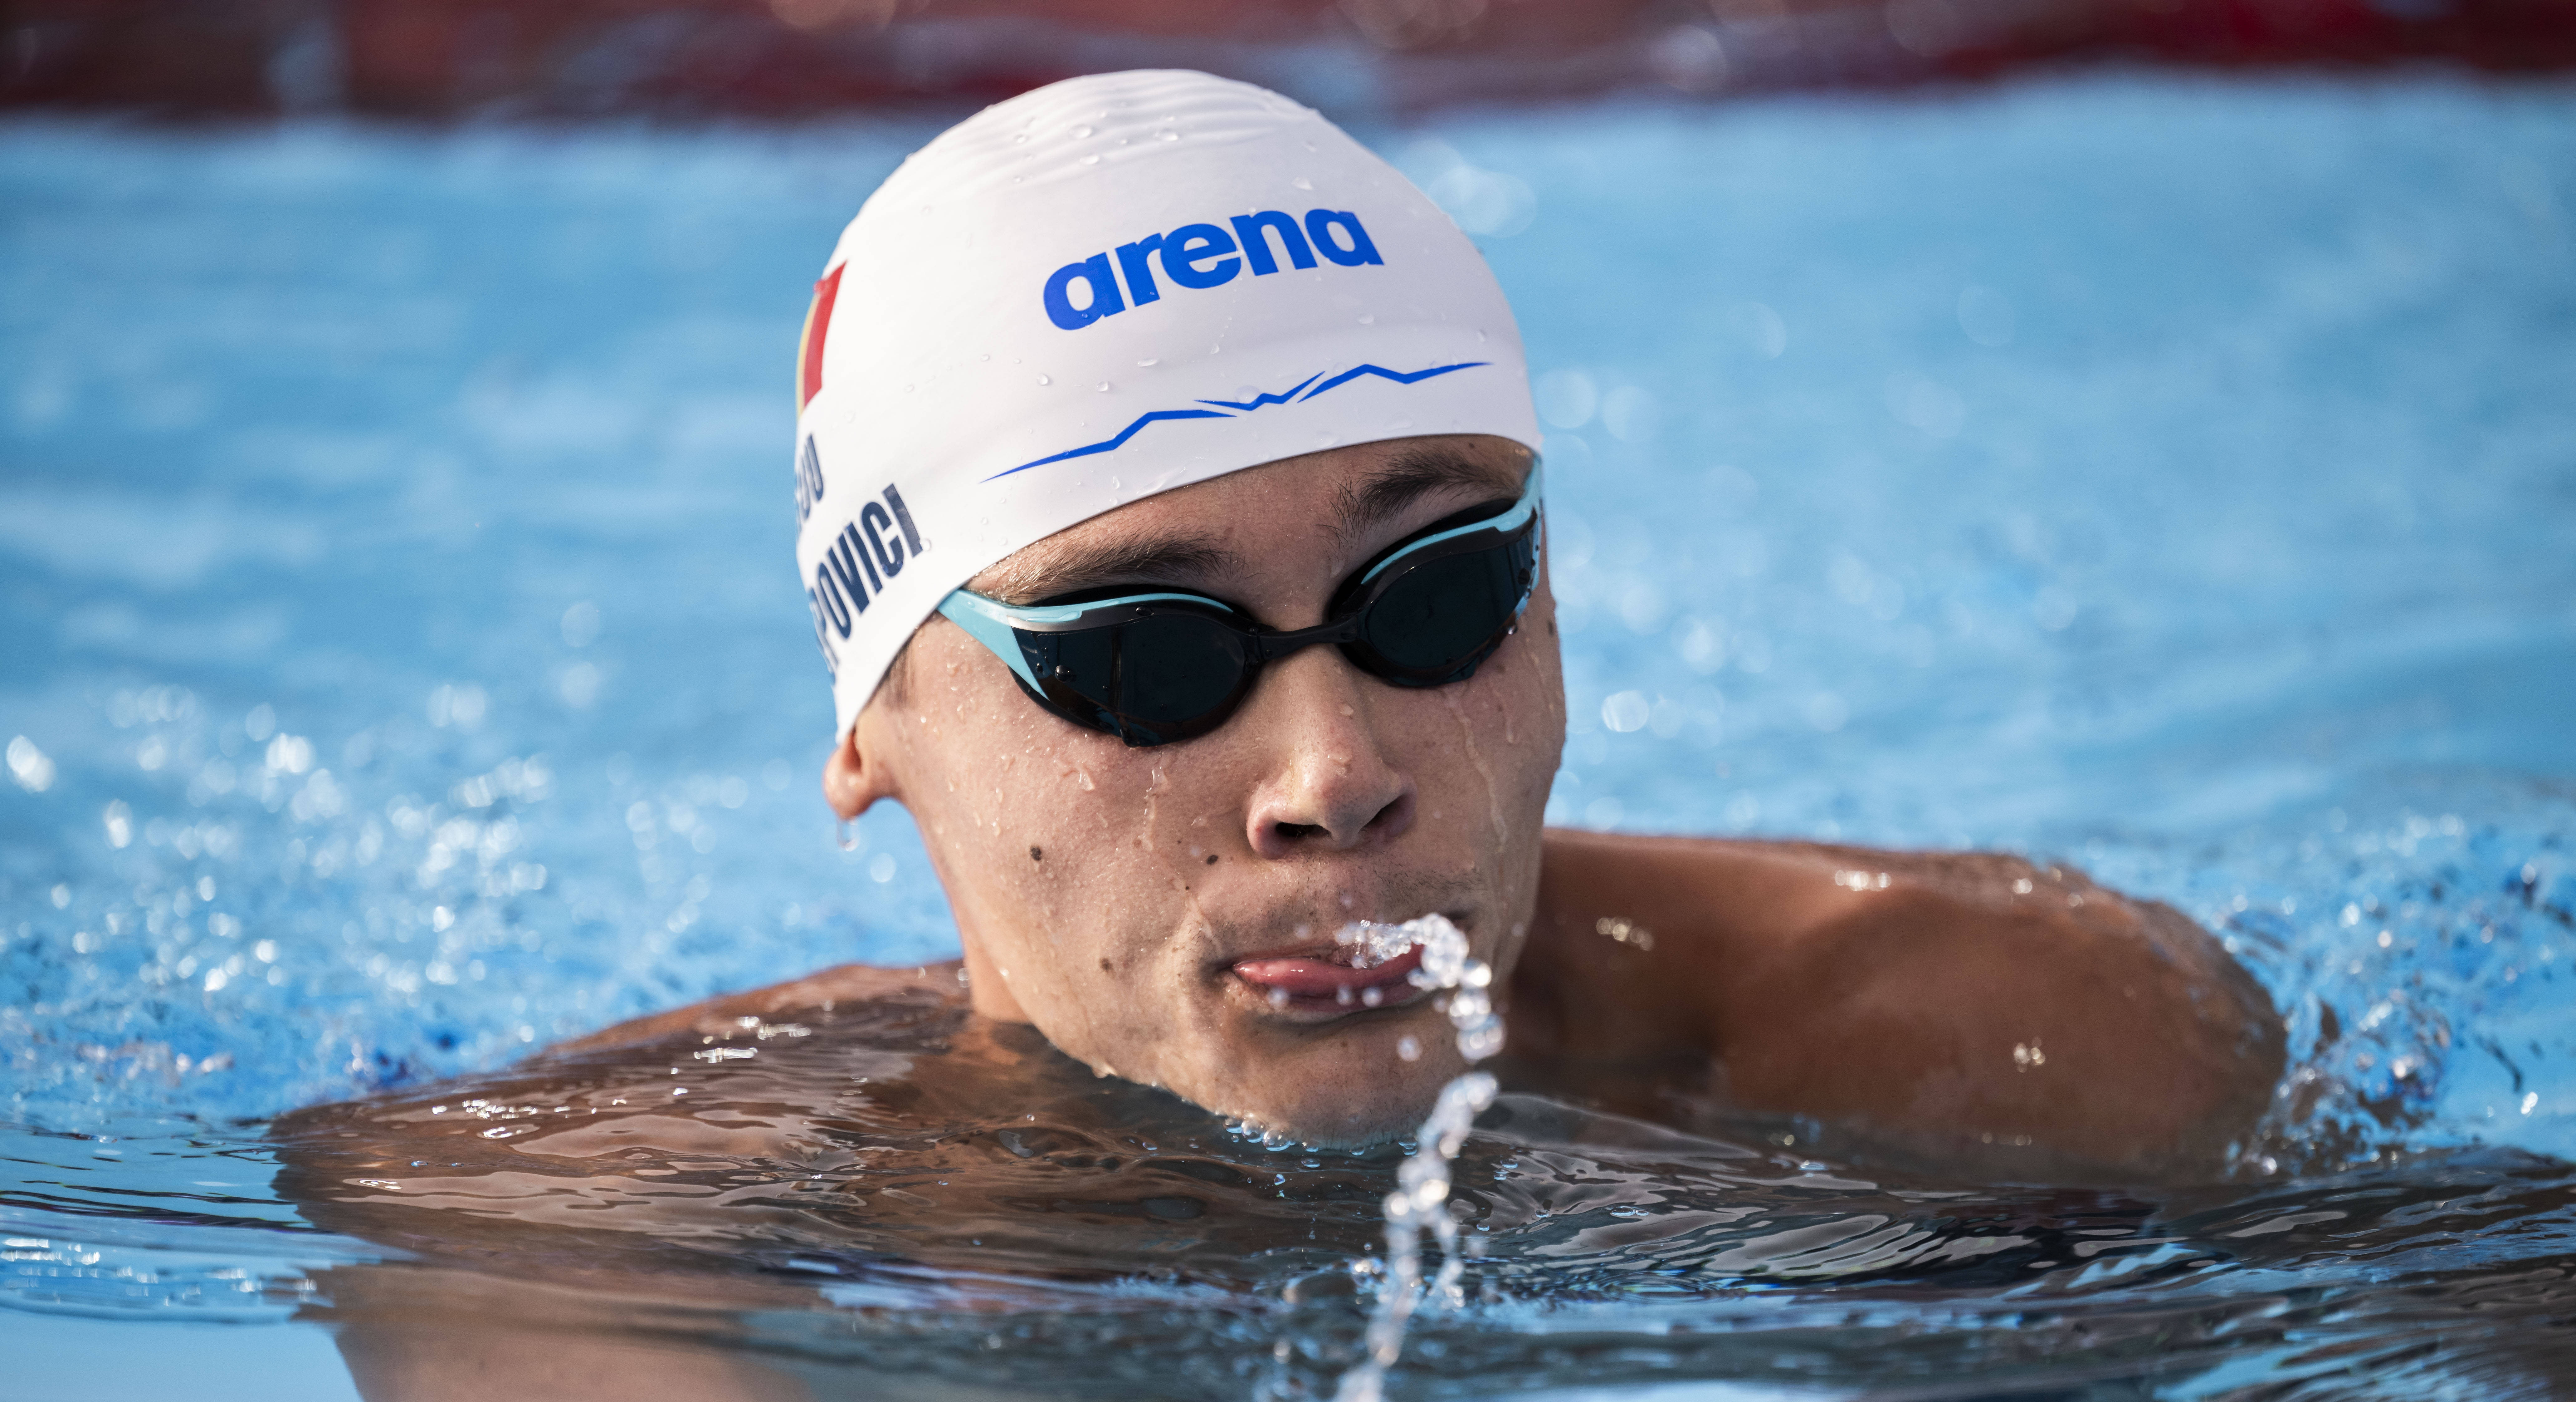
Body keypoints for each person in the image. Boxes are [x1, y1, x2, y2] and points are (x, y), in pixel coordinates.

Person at [582, 65, 2280, 1177]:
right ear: (876, 726)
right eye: (1147, 657)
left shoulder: (1999, 1047)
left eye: (1440, 592)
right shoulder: (592, 1194)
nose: (1334, 771)